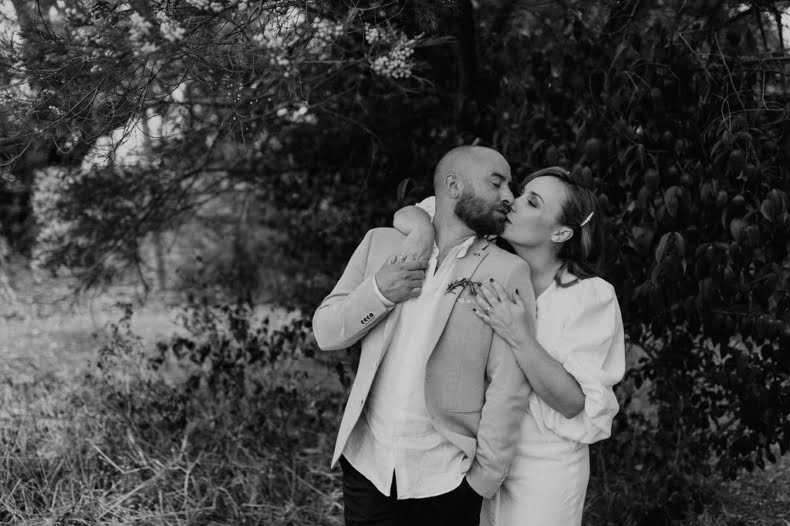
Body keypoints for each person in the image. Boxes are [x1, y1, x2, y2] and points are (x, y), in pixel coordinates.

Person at [312, 146, 536, 526]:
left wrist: (482, 480)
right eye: (497, 183)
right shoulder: (381, 243)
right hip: (367, 467)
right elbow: (326, 332)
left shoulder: (507, 270)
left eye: (509, 186)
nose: (509, 197)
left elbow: (509, 385)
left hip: (447, 481)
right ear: (453, 186)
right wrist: (380, 291)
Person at [394, 166, 626, 525]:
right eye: (520, 193)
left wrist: (519, 334)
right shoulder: (489, 255)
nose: (513, 203)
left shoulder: (588, 296)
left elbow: (572, 402)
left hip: (543, 467)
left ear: (561, 232)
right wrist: (423, 230)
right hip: (475, 452)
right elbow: (418, 211)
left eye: (532, 202)